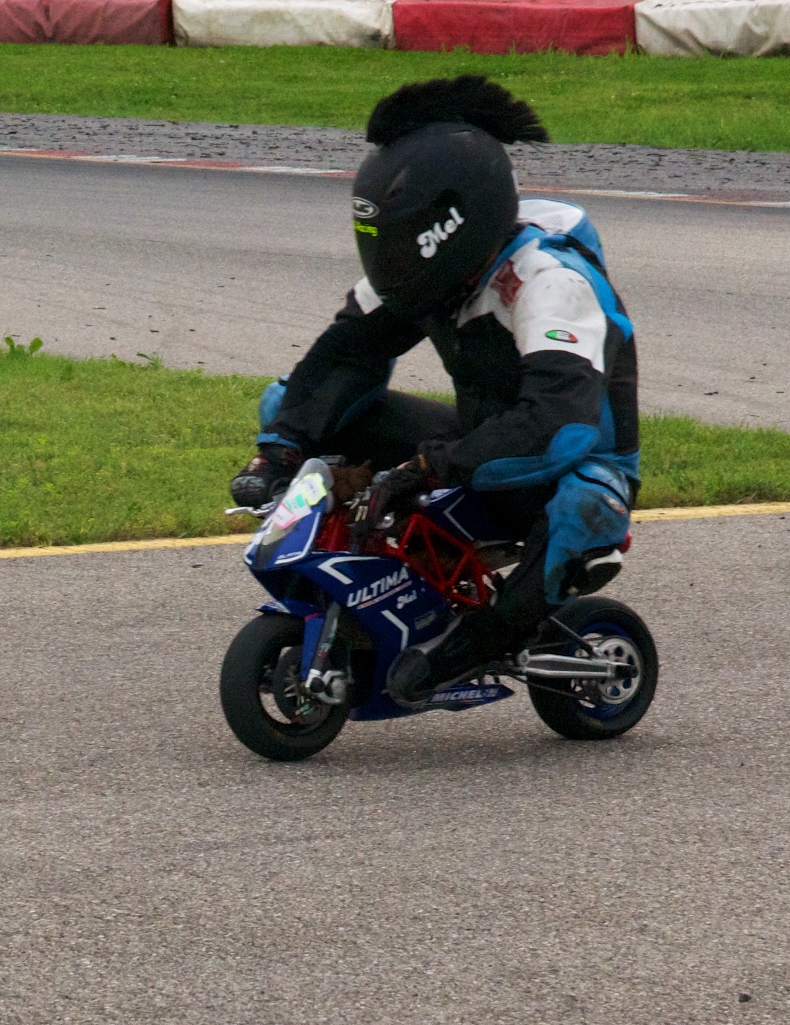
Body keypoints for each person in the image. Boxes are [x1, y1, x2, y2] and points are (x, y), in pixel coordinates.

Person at [230, 75, 640, 704]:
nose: (389, 269)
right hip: (477, 443)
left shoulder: (550, 281)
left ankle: (479, 640)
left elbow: (560, 427)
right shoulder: (427, 276)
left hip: (572, 464)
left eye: (403, 248)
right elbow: (346, 356)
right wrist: (279, 451)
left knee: (582, 506)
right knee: (287, 405)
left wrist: (427, 468)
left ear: (451, 227)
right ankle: (358, 573)